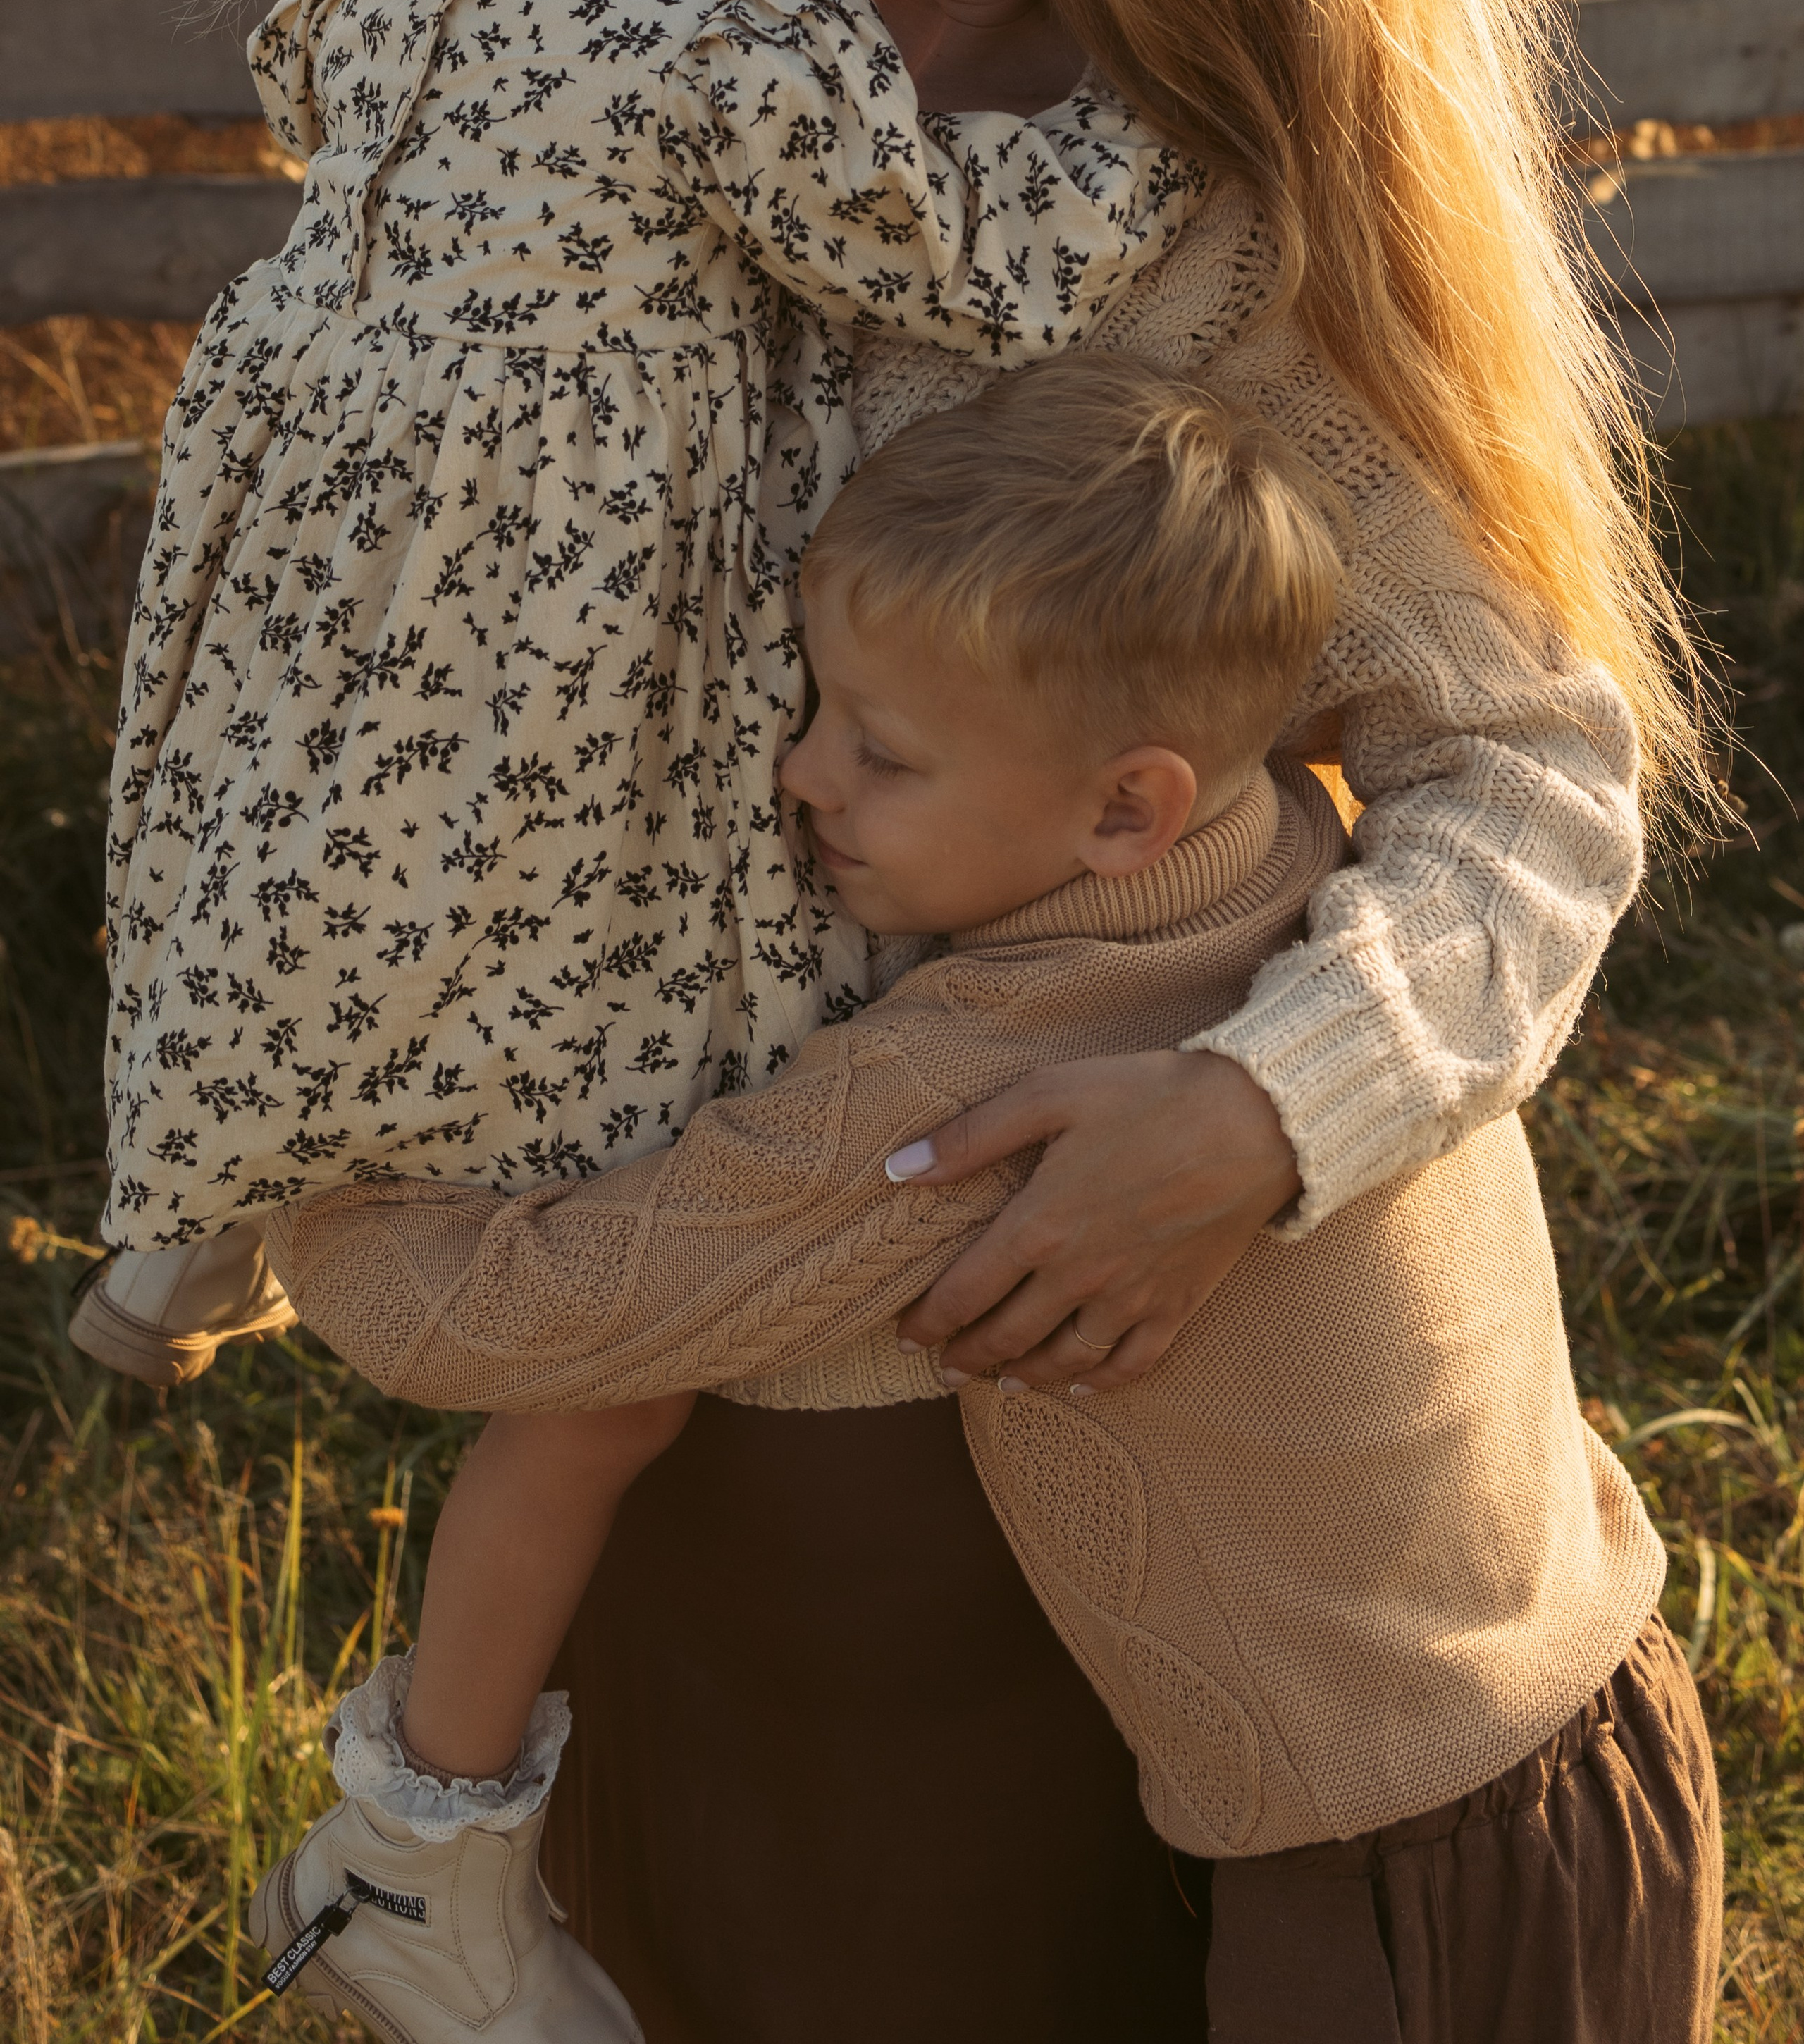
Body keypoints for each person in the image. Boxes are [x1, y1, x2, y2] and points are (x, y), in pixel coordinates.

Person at [269, 355, 1720, 2044]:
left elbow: (512, 1321)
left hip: (1380, 1886)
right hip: (1592, 1726)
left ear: (1124, 806)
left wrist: (292, 1157)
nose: (802, 779)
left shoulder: (978, 1083)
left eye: (875, 754)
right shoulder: (1302, 863)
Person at [73, 0, 1208, 1398]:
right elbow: (986, 266)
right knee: (586, 866)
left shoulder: (351, 12)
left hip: (317, 550)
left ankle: (191, 1211)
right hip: (562, 591)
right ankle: (608, 1213)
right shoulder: (705, 69)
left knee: (301, 838)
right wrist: (1157, 123)